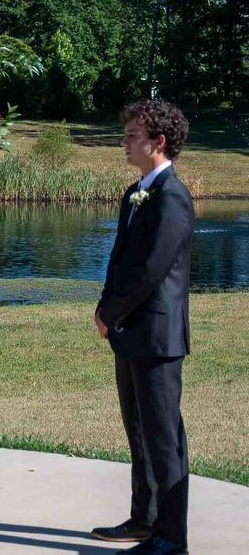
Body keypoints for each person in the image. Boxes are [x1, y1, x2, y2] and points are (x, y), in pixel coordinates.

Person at [91, 101, 193, 555]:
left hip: (156, 336)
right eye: (127, 133)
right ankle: (144, 520)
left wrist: (111, 313)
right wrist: (106, 308)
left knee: (163, 438)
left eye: (133, 135)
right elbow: (121, 260)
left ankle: (171, 541)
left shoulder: (172, 196)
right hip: (130, 335)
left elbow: (152, 269)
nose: (124, 141)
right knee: (139, 431)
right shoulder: (135, 191)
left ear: (159, 142)